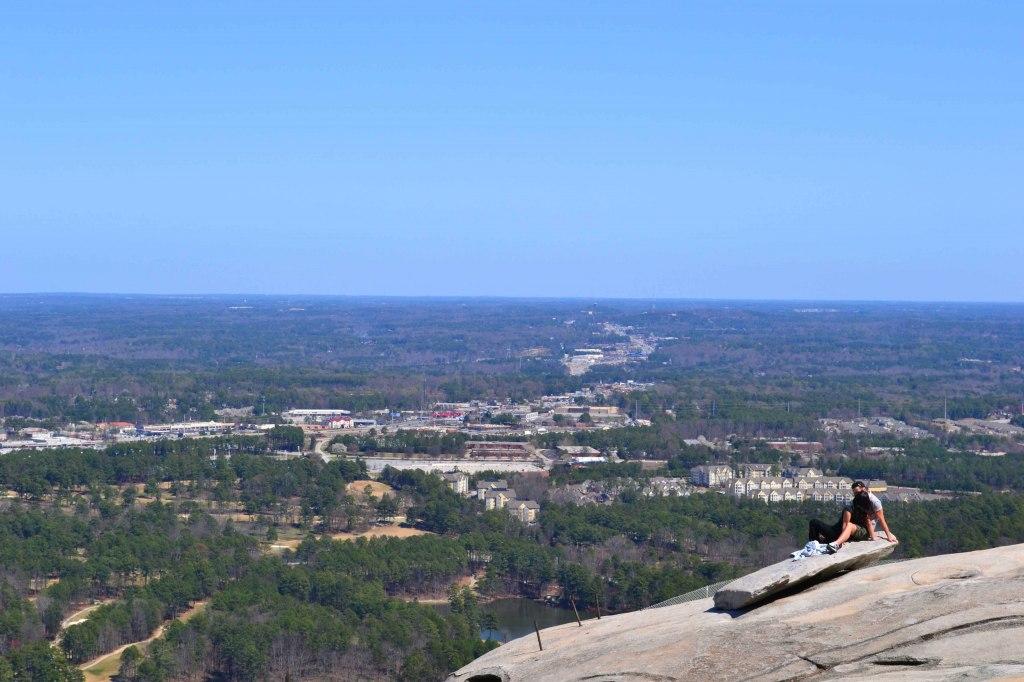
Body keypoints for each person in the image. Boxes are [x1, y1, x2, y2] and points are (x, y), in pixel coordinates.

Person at [807, 481, 899, 551]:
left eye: (857, 492)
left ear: (864, 489)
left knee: (815, 523)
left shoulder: (872, 502)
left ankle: (826, 544)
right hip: (842, 531)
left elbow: (879, 520)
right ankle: (815, 544)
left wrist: (887, 536)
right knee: (815, 525)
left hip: (848, 532)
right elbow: (847, 523)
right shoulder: (858, 503)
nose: (855, 494)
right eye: (854, 493)